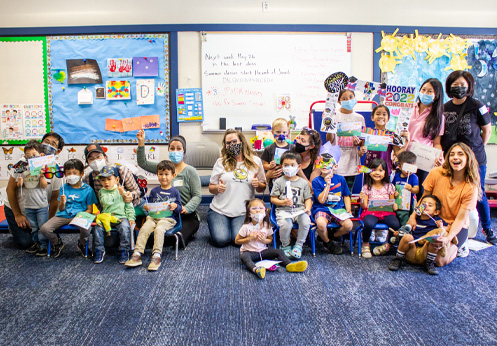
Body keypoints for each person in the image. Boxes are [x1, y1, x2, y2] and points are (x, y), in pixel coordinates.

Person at [441, 71, 496, 245]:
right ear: (449, 87)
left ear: (469, 86)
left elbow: (487, 130)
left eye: (462, 85)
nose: (459, 88)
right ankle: (452, 226)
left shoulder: (476, 105)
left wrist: (478, 148)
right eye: (455, 85)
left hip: (475, 159)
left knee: (478, 194)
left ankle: (487, 229)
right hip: (451, 160)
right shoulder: (445, 107)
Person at [407, 142, 480, 264]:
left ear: (468, 158)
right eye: (452, 154)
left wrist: (448, 238)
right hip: (435, 221)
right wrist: (413, 216)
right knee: (421, 252)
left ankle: (460, 245)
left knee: (439, 261)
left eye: (460, 154)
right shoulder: (436, 172)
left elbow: (461, 218)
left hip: (456, 226)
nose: (455, 157)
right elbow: (424, 198)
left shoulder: (471, 188)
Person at [136, 130, 201, 245]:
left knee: (176, 241)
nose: (175, 151)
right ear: (168, 150)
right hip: (165, 215)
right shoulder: (163, 168)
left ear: (184, 152)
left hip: (186, 216)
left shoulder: (190, 171)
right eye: (172, 148)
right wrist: (141, 142)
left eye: (179, 148)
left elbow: (197, 196)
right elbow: (143, 163)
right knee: (149, 239)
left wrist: (186, 208)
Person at [5, 132, 64, 249]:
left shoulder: (54, 168)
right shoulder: (23, 162)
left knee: (42, 237)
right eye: (46, 142)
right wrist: (17, 215)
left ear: (58, 151)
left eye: (53, 144)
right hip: (17, 209)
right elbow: (10, 189)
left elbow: (54, 198)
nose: (48, 145)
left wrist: (49, 223)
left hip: (38, 209)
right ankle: (13, 226)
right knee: (26, 243)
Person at [208, 129, 266, 247]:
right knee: (221, 240)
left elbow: (262, 187)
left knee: (237, 240)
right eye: (228, 143)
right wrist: (217, 188)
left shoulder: (256, 161)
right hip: (220, 210)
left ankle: (233, 225)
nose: (232, 145)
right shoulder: (220, 162)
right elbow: (211, 188)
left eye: (234, 141)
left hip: (243, 211)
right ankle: (222, 223)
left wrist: (257, 184)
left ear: (242, 142)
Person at [125, 160, 182, 271]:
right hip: (153, 217)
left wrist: (175, 206)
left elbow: (179, 208)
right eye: (161, 174)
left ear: (173, 175)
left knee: (159, 229)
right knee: (145, 228)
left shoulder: (175, 192)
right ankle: (137, 253)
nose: (163, 177)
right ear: (157, 175)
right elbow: (150, 205)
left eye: (166, 174)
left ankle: (156, 255)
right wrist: (147, 207)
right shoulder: (154, 191)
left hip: (167, 219)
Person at [234, 198, 308, 280]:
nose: (258, 211)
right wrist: (250, 238)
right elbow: (237, 241)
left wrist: (263, 241)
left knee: (279, 251)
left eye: (261, 208)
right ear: (249, 214)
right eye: (254, 209)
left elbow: (270, 239)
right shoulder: (246, 227)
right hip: (249, 252)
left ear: (265, 212)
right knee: (244, 256)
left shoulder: (267, 226)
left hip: (262, 251)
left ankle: (290, 265)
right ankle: (256, 270)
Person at [40, 159, 98, 258]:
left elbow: (90, 209)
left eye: (74, 173)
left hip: (79, 215)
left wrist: (82, 216)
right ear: (65, 174)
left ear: (81, 173)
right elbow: (61, 209)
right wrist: (62, 203)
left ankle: (82, 244)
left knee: (87, 228)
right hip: (63, 215)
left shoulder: (88, 190)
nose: (71, 175)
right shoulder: (63, 188)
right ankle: (57, 243)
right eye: (68, 173)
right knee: (45, 228)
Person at [388, 195, 448, 275]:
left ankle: (429, 263)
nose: (425, 206)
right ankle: (398, 259)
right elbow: (406, 229)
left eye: (430, 205)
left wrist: (441, 226)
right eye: (423, 204)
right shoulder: (414, 220)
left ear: (436, 212)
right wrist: (399, 234)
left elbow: (446, 230)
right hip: (412, 251)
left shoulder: (437, 221)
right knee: (408, 237)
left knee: (433, 239)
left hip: (425, 252)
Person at [407, 78, 445, 199]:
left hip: (424, 161)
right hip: (406, 156)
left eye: (430, 91)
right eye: (423, 89)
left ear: (436, 96)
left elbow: (437, 142)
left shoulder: (439, 117)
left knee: (422, 191)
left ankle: (420, 217)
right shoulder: (408, 108)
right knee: (404, 189)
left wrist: (439, 158)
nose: (425, 93)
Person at [270, 151, 312, 259]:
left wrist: (308, 208)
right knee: (286, 225)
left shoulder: (303, 183)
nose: (289, 168)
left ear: (298, 167)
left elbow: (308, 199)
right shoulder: (278, 182)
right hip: (283, 211)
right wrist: (283, 202)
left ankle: (299, 245)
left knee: (306, 221)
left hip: (299, 210)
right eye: (286, 165)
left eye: (292, 165)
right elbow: (273, 199)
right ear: (282, 166)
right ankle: (285, 245)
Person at [92, 165, 135, 264]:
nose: (106, 182)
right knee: (97, 228)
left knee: (124, 227)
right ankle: (99, 250)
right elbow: (105, 202)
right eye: (102, 180)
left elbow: (129, 206)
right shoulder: (102, 191)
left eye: (109, 179)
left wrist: (131, 218)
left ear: (116, 180)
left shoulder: (123, 191)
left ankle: (124, 250)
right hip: (106, 217)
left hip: (120, 217)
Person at [311, 153, 353, 255]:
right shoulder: (316, 181)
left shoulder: (340, 179)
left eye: (328, 163)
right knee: (321, 224)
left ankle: (331, 235)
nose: (324, 165)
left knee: (349, 225)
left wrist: (348, 209)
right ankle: (328, 242)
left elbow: (346, 195)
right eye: (321, 163)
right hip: (322, 209)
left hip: (338, 209)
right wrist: (327, 185)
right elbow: (321, 200)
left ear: (335, 166)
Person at [359, 158, 400, 259]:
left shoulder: (389, 186)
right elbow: (364, 206)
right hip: (371, 211)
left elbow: (392, 203)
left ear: (385, 172)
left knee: (395, 224)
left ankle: (388, 245)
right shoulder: (366, 187)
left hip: (386, 212)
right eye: (374, 170)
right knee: (368, 223)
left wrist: (395, 205)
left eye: (380, 170)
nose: (377, 173)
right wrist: (362, 198)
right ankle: (365, 244)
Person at [326, 89, 366, 191]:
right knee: (335, 192)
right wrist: (329, 127)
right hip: (337, 162)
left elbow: (362, 141)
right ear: (339, 101)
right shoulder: (334, 115)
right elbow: (329, 140)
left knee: (348, 192)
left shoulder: (359, 118)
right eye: (344, 98)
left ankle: (347, 208)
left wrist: (359, 143)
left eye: (351, 97)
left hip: (351, 162)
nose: (348, 100)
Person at [16, 140, 49, 255]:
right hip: (28, 205)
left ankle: (44, 245)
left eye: (34, 155)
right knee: (34, 227)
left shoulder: (43, 169)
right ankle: (36, 243)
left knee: (42, 226)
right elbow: (21, 186)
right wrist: (19, 183)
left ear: (41, 156)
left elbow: (44, 185)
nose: (31, 158)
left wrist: (41, 176)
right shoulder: (23, 170)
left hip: (41, 205)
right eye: (28, 156)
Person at [363, 105, 408, 176]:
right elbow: (361, 151)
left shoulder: (391, 135)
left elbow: (398, 154)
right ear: (372, 117)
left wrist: (406, 143)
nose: (381, 116)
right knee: (368, 187)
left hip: (385, 170)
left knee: (385, 187)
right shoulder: (367, 133)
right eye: (378, 114)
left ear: (388, 118)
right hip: (370, 169)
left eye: (384, 114)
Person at [262, 118, 293, 192]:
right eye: (278, 132)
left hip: (290, 181)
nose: (281, 134)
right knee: (275, 200)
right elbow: (264, 166)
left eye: (284, 132)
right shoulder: (269, 148)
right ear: (272, 133)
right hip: (274, 181)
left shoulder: (292, 148)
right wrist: (270, 166)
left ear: (288, 133)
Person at [392, 151, 419, 226]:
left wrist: (411, 189)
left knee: (405, 222)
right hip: (396, 204)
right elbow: (392, 187)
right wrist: (394, 192)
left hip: (408, 206)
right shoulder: (396, 176)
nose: (408, 170)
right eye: (406, 167)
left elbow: (417, 190)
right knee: (395, 222)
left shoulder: (414, 177)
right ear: (399, 166)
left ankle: (403, 235)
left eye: (411, 167)